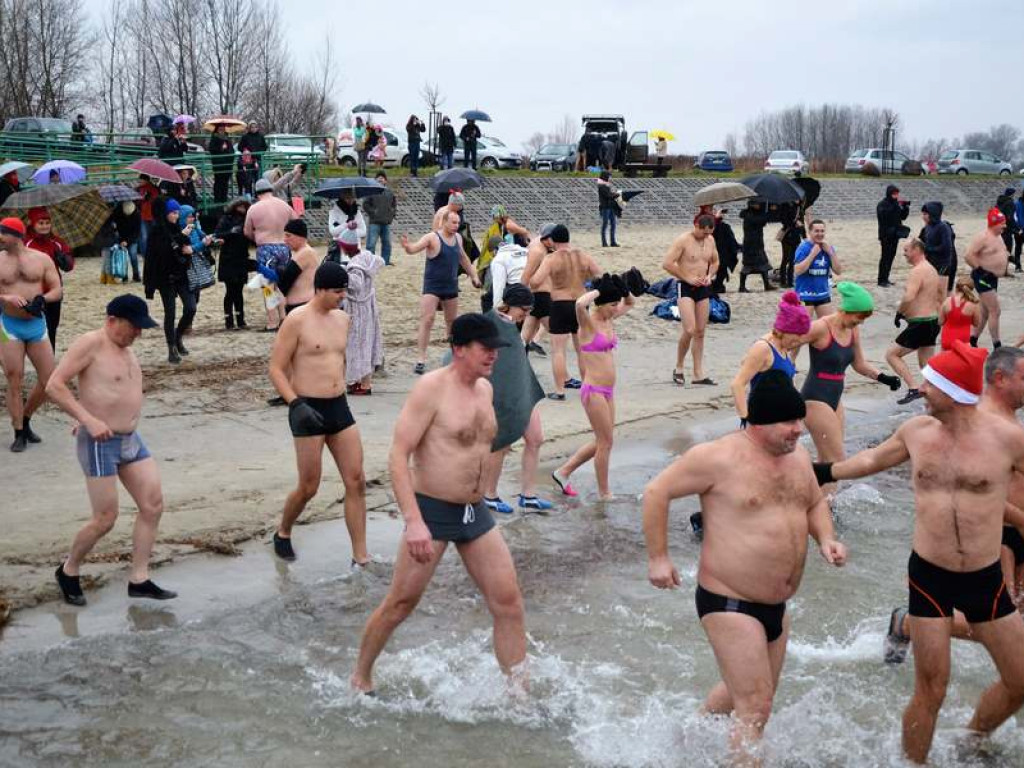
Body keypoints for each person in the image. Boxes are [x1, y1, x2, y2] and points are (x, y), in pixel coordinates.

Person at [813, 341, 1024, 765]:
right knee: (932, 688)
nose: (922, 390)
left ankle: (973, 738)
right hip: (930, 575)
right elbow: (873, 459)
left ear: (955, 391)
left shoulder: (1008, 440)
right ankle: (915, 764)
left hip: (984, 578)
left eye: (931, 384)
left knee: (1020, 680)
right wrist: (820, 471)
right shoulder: (916, 432)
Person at [644, 370, 846, 765]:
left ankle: (685, 740)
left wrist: (826, 538)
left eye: (800, 420)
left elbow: (813, 502)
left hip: (777, 605)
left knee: (754, 696)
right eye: (790, 423)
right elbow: (656, 492)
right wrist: (659, 557)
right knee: (756, 707)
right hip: (730, 601)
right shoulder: (717, 457)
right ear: (761, 422)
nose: (799, 431)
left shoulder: (797, 456)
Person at [350, 313, 527, 696]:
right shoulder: (431, 388)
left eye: (497, 349)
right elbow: (398, 456)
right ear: (459, 349)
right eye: (486, 348)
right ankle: (361, 676)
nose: (494, 356)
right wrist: (413, 521)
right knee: (401, 603)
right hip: (432, 511)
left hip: (474, 512)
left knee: (509, 602)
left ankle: (518, 693)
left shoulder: (485, 389)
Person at [884, 346, 1024, 661]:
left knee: (1014, 623)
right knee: (996, 623)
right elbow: (972, 490)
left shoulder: (1010, 423)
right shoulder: (978, 419)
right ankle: (906, 623)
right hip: (998, 536)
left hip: (1016, 532)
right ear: (999, 379)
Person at [46, 295, 176, 605]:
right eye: (133, 327)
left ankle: (139, 578)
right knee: (105, 518)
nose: (137, 334)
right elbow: (54, 385)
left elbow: (110, 390)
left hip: (130, 439)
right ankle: (69, 569)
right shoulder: (90, 343)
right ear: (112, 321)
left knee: (153, 505)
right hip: (99, 443)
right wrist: (88, 419)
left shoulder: (126, 348)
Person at [268, 262, 368, 566]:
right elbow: (275, 368)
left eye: (344, 292)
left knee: (357, 480)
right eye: (337, 292)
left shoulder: (343, 319)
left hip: (339, 406)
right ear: (321, 289)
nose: (342, 297)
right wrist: (295, 403)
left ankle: (360, 556)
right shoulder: (296, 320)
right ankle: (283, 531)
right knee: (309, 486)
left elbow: (338, 360)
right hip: (306, 407)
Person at [800, 282, 901, 499]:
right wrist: (783, 376)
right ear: (846, 309)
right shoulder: (820, 327)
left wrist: (883, 377)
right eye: (859, 316)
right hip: (815, 397)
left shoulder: (852, 331)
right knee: (837, 457)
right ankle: (824, 505)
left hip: (835, 398)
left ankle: (817, 499)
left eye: (864, 319)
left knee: (828, 458)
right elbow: (789, 341)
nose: (860, 322)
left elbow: (859, 364)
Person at [551, 272, 640, 500]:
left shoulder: (610, 319)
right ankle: (604, 493)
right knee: (605, 442)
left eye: (615, 304)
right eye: (612, 304)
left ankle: (563, 472)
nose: (616, 308)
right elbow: (580, 304)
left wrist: (621, 289)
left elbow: (631, 302)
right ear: (600, 304)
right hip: (593, 391)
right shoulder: (588, 324)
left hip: (608, 391)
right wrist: (600, 289)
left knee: (605, 439)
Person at [479, 285, 553, 514]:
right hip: (499, 393)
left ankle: (528, 495)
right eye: (524, 309)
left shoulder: (512, 325)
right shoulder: (489, 324)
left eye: (529, 310)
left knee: (536, 438)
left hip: (521, 389)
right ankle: (489, 494)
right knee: (502, 443)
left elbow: (516, 360)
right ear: (510, 304)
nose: (526, 314)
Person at [0, 217, 61, 452]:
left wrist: (41, 299)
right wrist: (5, 298)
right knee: (14, 377)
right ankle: (18, 432)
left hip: (36, 324)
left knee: (49, 380)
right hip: (8, 325)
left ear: (15, 235)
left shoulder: (41, 259)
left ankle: (25, 419)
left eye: (3, 233)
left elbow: (57, 289)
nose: (0, 238)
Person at [402, 209, 482, 374]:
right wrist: (407, 247)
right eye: (453, 222)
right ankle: (421, 359)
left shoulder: (458, 238)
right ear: (444, 221)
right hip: (432, 286)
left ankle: (452, 356)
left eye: (458, 223)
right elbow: (414, 249)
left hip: (451, 285)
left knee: (452, 322)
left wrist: (474, 275)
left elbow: (464, 259)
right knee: (427, 319)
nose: (456, 226)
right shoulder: (432, 237)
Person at [528, 225, 603, 400]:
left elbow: (535, 282)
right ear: (568, 238)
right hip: (580, 303)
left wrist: (531, 275)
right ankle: (587, 387)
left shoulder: (551, 259)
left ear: (553, 241)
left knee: (558, 350)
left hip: (560, 304)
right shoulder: (583, 256)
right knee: (581, 349)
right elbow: (599, 275)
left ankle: (560, 390)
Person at [730, 290, 810, 422]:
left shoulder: (783, 347)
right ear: (785, 330)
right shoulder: (763, 348)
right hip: (764, 420)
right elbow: (737, 384)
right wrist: (746, 419)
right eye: (798, 334)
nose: (800, 340)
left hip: (783, 418)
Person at [663, 214, 719, 386]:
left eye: (709, 233)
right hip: (685, 286)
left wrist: (710, 275)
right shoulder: (683, 240)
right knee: (690, 329)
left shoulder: (710, 240)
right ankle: (679, 367)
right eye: (703, 233)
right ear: (696, 226)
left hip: (703, 287)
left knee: (701, 331)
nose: (705, 236)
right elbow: (667, 263)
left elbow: (715, 261)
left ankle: (698, 373)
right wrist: (686, 277)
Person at [886, 239, 945, 404]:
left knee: (892, 355)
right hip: (932, 321)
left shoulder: (917, 271)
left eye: (906, 250)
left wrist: (900, 312)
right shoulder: (931, 269)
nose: (904, 253)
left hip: (921, 323)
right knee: (926, 364)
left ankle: (913, 388)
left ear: (917, 250)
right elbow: (940, 296)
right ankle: (939, 393)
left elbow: (909, 296)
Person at [143, 198, 195, 363]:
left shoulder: (179, 228)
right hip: (164, 277)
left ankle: (178, 336)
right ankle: (171, 347)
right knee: (170, 313)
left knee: (191, 308)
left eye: (177, 212)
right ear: (165, 214)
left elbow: (184, 249)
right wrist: (181, 237)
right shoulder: (157, 231)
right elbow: (160, 253)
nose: (176, 215)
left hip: (181, 275)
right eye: (173, 212)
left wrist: (189, 250)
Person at [244, 178, 297, 331]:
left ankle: (272, 321)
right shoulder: (283, 205)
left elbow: (247, 231)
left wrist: (257, 239)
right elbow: (296, 222)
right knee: (282, 284)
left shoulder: (254, 209)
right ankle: (284, 317)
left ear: (257, 193)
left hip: (265, 248)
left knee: (268, 286)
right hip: (283, 246)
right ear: (271, 190)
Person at [340, 224, 384, 396]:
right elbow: (380, 261)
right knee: (367, 342)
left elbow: (356, 284)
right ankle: (364, 381)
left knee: (356, 344)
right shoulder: (367, 257)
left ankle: (363, 383)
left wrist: (342, 274)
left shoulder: (355, 265)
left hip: (357, 308)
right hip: (369, 306)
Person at [24, 207, 74, 350]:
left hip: (53, 291)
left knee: (52, 327)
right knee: (35, 327)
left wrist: (65, 260)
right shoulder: (25, 243)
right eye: (41, 223)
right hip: (32, 291)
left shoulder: (57, 242)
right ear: (32, 223)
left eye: (47, 222)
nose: (45, 226)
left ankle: (49, 358)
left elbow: (69, 265)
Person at [966, 208, 1010, 349]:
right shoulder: (983, 237)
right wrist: (979, 269)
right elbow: (968, 255)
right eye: (1002, 223)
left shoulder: (998, 236)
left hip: (992, 278)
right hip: (983, 277)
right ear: (994, 223)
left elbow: (998, 252)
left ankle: (972, 340)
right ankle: (997, 345)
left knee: (985, 313)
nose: (1005, 226)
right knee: (995, 311)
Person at [257, 218, 319, 315]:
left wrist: (260, 268)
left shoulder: (305, 253)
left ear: (300, 236)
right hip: (300, 306)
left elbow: (284, 279)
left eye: (288, 236)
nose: (285, 240)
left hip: (302, 306)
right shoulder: (301, 252)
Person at [478, 205, 529, 311]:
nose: (494, 219)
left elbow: (524, 232)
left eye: (495, 216)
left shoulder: (509, 225)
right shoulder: (502, 225)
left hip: (510, 253)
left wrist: (527, 241)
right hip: (514, 252)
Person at [519, 223, 557, 357]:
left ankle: (519, 360)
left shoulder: (541, 245)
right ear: (547, 238)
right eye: (555, 239)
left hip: (538, 294)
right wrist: (520, 295)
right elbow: (526, 275)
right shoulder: (538, 251)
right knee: (557, 330)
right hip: (540, 295)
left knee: (526, 334)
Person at [214, 198, 252, 330]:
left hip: (241, 257)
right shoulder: (226, 219)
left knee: (239, 290)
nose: (242, 209)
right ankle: (229, 320)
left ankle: (241, 320)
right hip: (228, 258)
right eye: (240, 206)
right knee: (230, 291)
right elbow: (217, 234)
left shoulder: (248, 219)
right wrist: (231, 232)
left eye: (244, 206)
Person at [794, 219, 842, 317]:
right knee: (803, 329)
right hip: (805, 295)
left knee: (827, 328)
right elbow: (798, 271)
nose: (820, 234)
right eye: (816, 231)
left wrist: (830, 253)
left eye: (822, 231)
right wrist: (812, 254)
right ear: (810, 232)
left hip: (823, 294)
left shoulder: (828, 248)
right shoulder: (803, 248)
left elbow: (838, 271)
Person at [876, 184, 911, 286]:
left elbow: (903, 217)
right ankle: (881, 280)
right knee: (885, 257)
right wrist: (895, 206)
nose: (896, 196)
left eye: (897, 194)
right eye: (894, 194)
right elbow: (884, 217)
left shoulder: (896, 204)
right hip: (885, 235)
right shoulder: (882, 204)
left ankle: (886, 278)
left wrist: (905, 207)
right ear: (889, 194)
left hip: (895, 235)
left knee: (891, 256)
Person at [919, 201, 955, 293]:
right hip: (931, 262)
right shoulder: (927, 227)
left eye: (925, 214)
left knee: (940, 292)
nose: (923, 216)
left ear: (933, 214)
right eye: (922, 214)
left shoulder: (943, 227)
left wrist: (928, 249)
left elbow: (946, 247)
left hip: (943, 264)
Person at [362, 172, 396, 266]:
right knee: (371, 244)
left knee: (387, 243)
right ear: (375, 180)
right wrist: (373, 212)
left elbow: (394, 205)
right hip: (374, 222)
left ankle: (385, 261)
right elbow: (365, 205)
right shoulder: (371, 191)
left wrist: (391, 214)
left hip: (386, 222)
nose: (380, 179)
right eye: (378, 178)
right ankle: (370, 262)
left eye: (382, 178)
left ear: (386, 180)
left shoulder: (390, 192)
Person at [738, 201, 773, 292]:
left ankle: (767, 285)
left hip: (758, 243)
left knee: (763, 265)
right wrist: (768, 213)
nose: (759, 205)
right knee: (747, 266)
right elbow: (759, 221)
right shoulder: (749, 215)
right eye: (757, 204)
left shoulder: (756, 214)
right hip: (750, 245)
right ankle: (741, 286)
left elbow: (762, 222)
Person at [939, 275, 980, 351]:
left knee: (945, 361)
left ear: (956, 288)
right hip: (963, 341)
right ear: (971, 290)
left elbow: (940, 322)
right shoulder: (973, 305)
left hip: (947, 339)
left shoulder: (947, 301)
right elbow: (976, 323)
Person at [110, 200, 142, 283]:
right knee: (123, 257)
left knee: (133, 256)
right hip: (121, 237)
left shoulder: (137, 215)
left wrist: (127, 241)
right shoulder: (117, 212)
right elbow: (116, 228)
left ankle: (136, 275)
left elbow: (136, 232)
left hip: (132, 238)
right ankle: (124, 276)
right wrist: (121, 240)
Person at [328, 190, 368, 255]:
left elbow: (363, 232)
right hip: (339, 248)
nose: (350, 200)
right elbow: (333, 232)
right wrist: (346, 225)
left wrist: (350, 231)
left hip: (355, 248)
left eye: (352, 198)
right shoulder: (334, 212)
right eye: (347, 198)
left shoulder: (357, 213)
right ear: (342, 198)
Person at [777, 202, 804, 288]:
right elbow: (784, 221)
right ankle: (782, 281)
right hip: (787, 236)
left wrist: (805, 236)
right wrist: (795, 222)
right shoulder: (785, 206)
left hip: (796, 236)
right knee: (785, 259)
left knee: (793, 260)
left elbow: (802, 224)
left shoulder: (799, 208)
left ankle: (790, 281)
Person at [208, 125, 234, 203]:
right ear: (217, 130)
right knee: (218, 182)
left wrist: (227, 150)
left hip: (227, 165)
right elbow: (212, 150)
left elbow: (232, 151)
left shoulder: (227, 139)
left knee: (225, 183)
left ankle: (224, 199)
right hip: (218, 164)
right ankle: (217, 200)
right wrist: (221, 148)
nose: (222, 130)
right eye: (220, 129)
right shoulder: (214, 138)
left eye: (223, 129)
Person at [136, 174, 160, 257]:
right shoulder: (138, 189)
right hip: (144, 215)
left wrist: (148, 197)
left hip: (152, 215)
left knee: (148, 236)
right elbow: (136, 202)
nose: (139, 182)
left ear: (146, 180)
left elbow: (157, 200)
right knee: (144, 236)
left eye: (141, 180)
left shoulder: (154, 189)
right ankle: (146, 254)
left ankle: (150, 253)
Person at [995, 186, 1018, 270]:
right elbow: (1010, 218)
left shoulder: (999, 202)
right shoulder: (1010, 203)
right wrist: (1016, 227)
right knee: (1007, 248)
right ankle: (1004, 269)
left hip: (997, 228)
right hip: (1006, 228)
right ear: (1012, 195)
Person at [597, 171, 619, 248]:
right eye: (609, 176)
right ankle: (604, 242)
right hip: (605, 208)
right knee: (605, 224)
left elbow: (611, 194)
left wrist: (615, 194)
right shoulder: (601, 186)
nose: (610, 178)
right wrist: (617, 194)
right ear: (605, 176)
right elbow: (608, 196)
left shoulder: (607, 185)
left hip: (611, 207)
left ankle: (613, 242)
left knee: (613, 224)